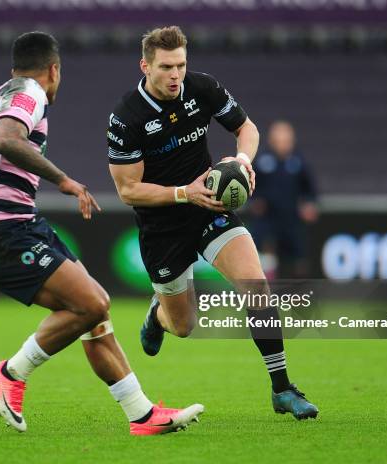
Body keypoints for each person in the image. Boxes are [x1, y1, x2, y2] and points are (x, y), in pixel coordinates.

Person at [0, 31, 203, 435]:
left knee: (95, 315)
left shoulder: (0, 93)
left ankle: (141, 415)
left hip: (16, 224)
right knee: (93, 303)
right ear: (54, 69)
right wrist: (64, 181)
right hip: (7, 231)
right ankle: (10, 372)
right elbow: (8, 140)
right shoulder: (29, 93)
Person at [107, 26, 318, 420]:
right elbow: (128, 190)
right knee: (183, 325)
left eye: (181, 65)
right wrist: (184, 192)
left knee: (256, 285)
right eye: (167, 67)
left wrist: (242, 160)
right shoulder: (126, 117)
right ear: (145, 66)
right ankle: (158, 315)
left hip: (210, 209)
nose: (176, 75)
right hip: (163, 227)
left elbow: (247, 129)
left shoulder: (201, 88)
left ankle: (282, 388)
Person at [250, 120, 319, 279]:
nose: (282, 144)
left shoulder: (298, 162)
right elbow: (251, 187)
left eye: (285, 140)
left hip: (291, 217)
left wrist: (309, 204)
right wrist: (255, 202)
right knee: (263, 253)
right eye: (278, 140)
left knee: (298, 257)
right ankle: (267, 290)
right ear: (271, 141)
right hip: (267, 217)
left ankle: (299, 293)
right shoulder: (262, 161)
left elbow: (310, 189)